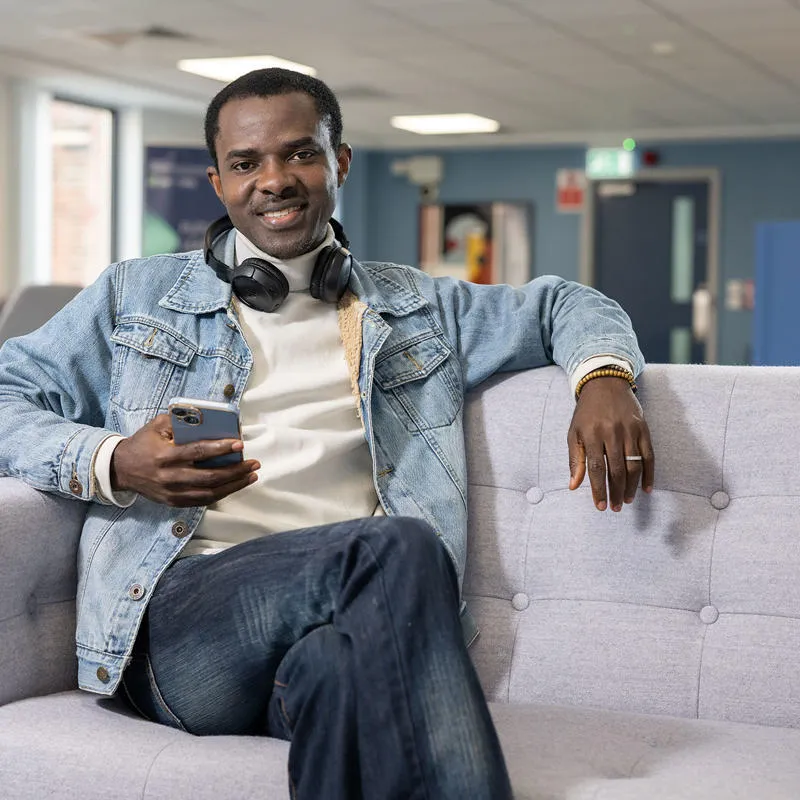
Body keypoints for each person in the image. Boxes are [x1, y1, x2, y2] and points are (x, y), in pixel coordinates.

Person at [0, 68, 654, 799]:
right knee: (396, 545)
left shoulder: (417, 308)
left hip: (342, 630)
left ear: (339, 162)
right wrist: (113, 459)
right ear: (218, 183)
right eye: (245, 163)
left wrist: (603, 378)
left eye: (299, 153)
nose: (274, 180)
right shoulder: (137, 296)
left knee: (347, 684)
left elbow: (564, 304)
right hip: (184, 624)